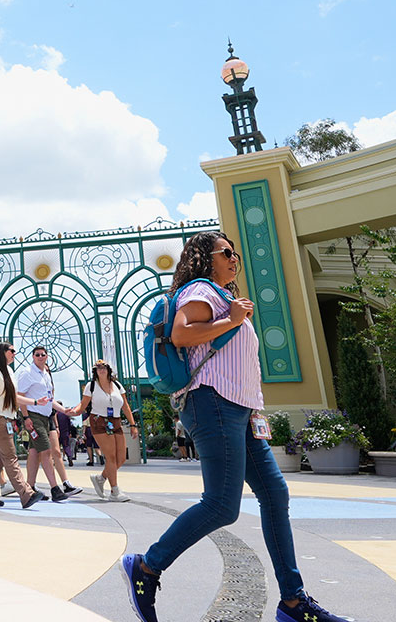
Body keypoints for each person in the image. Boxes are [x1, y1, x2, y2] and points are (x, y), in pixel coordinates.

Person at [123, 231, 354, 622]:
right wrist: (232, 318)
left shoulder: (224, 297)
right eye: (226, 252)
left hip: (240, 412)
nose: (234, 259)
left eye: (236, 254)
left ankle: (294, 603)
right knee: (221, 505)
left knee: (274, 494)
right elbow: (181, 332)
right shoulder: (202, 289)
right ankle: (146, 567)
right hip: (212, 403)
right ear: (203, 258)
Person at [0, 342, 43, 509]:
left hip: (7, 418)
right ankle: (26, 494)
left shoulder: (8, 371)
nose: (15, 353)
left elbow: (14, 397)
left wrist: (35, 401)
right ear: (3, 351)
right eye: (12, 351)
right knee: (10, 456)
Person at [61, 360, 138, 502]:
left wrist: (133, 425)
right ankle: (115, 491)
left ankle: (100, 478)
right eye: (98, 368)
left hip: (115, 421)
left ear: (109, 369)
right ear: (95, 371)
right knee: (111, 458)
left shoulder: (117, 385)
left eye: (104, 367)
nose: (101, 370)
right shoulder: (91, 387)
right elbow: (83, 405)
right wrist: (73, 412)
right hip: (99, 421)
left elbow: (125, 406)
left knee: (120, 459)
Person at [16, 346, 74, 501]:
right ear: (33, 357)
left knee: (34, 452)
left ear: (47, 357)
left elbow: (50, 399)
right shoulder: (28, 373)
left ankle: (30, 487)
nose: (40, 357)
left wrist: (64, 410)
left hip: (45, 417)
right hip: (34, 416)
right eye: (37, 355)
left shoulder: (45, 375)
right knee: (46, 451)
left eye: (43, 354)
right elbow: (19, 396)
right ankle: (55, 488)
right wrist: (26, 417)